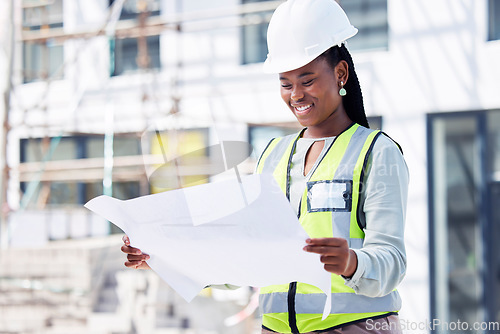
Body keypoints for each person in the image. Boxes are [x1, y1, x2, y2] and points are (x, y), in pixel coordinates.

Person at [121, 0, 408, 333]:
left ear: (340, 73)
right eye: (286, 83)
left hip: (355, 326)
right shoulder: (273, 155)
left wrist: (351, 263)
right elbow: (244, 260)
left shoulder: (376, 152)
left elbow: (393, 261)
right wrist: (160, 256)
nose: (296, 95)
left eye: (308, 80)